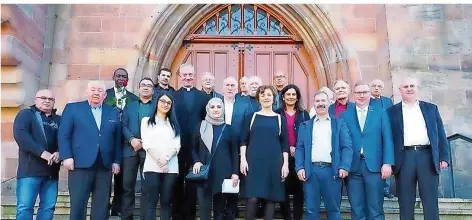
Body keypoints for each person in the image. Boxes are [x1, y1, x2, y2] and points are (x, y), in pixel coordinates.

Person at [387, 77, 450, 220]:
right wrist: (388, 162)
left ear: (417, 88)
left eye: (412, 86)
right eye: (405, 86)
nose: (409, 88)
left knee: (430, 201)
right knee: (405, 201)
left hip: (427, 157)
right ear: (400, 90)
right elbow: (388, 138)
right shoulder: (391, 112)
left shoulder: (431, 108)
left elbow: (440, 133)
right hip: (404, 158)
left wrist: (444, 157)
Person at [59, 80, 121, 220]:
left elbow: (116, 139)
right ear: (87, 92)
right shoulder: (72, 108)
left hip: (104, 166)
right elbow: (64, 135)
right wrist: (66, 156)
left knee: (102, 205)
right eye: (93, 90)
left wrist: (116, 161)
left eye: (100, 91)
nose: (96, 93)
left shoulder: (112, 111)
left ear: (105, 95)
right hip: (80, 164)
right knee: (78, 204)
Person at [295, 91, 353, 220]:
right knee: (311, 210)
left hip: (332, 171)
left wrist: (344, 166)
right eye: (317, 101)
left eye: (323, 101)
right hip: (311, 172)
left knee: (333, 209)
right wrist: (299, 167)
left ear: (329, 103)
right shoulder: (305, 125)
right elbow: (299, 148)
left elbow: (346, 147)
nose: (320, 104)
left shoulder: (339, 123)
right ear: (314, 104)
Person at [341, 81, 394, 220]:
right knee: (357, 210)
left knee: (375, 209)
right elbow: (343, 142)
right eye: (358, 93)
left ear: (370, 94)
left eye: (365, 92)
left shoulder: (381, 113)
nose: (362, 95)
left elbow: (387, 138)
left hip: (375, 167)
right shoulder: (345, 116)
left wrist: (387, 163)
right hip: (353, 168)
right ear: (353, 95)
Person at [240, 85, 289, 220]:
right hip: (254, 163)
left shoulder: (280, 119)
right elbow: (243, 140)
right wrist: (243, 160)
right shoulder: (251, 117)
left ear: (273, 98)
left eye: (268, 95)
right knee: (252, 199)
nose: (266, 97)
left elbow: (284, 145)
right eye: (262, 95)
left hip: (274, 163)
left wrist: (285, 165)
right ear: (258, 98)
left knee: (270, 199)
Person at [13, 89, 62, 220]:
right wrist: (42, 153)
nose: (47, 101)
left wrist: (59, 153)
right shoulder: (26, 114)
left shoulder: (59, 119)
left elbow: (65, 140)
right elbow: (22, 136)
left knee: (48, 208)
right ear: (35, 100)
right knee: (25, 208)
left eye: (50, 99)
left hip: (51, 173)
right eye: (43, 98)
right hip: (30, 171)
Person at [172, 63, 211, 220]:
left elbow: (206, 121)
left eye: (190, 75)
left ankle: (190, 214)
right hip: (177, 145)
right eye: (184, 75)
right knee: (176, 180)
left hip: (196, 146)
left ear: (194, 76)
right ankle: (176, 215)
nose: (187, 77)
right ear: (180, 77)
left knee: (194, 182)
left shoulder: (204, 97)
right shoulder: (172, 97)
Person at [191, 98, 240, 220]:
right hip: (204, 174)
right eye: (212, 107)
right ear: (208, 109)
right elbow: (193, 148)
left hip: (223, 173)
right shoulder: (200, 126)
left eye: (219, 107)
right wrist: (196, 161)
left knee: (220, 210)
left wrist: (235, 173)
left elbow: (234, 153)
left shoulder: (229, 129)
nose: (216, 109)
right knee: (204, 208)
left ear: (223, 109)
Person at [141, 91, 181, 220]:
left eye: (169, 103)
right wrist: (160, 159)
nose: (165, 104)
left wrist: (166, 159)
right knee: (151, 202)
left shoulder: (174, 123)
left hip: (171, 167)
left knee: (166, 202)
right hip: (152, 166)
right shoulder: (146, 121)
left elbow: (177, 145)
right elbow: (146, 143)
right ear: (157, 102)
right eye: (163, 101)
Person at [120, 78, 155, 220]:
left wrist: (145, 142)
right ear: (138, 88)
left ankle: (145, 217)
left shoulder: (157, 107)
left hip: (149, 152)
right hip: (130, 150)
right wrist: (131, 139)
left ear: (153, 90)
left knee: (147, 187)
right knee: (127, 186)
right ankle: (127, 216)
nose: (146, 88)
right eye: (143, 85)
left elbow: (160, 127)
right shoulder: (130, 106)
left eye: (149, 86)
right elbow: (122, 125)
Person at [104, 68, 138, 216]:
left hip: (125, 144)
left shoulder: (134, 98)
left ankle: (118, 208)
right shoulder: (105, 95)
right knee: (105, 179)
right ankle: (103, 209)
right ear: (113, 77)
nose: (121, 79)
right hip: (107, 141)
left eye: (124, 77)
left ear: (127, 80)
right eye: (118, 76)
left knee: (123, 179)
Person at [274, 84, 310, 220]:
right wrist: (287, 147)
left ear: (297, 97)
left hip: (300, 157)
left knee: (299, 191)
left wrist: (297, 147)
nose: (291, 97)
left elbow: (308, 135)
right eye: (288, 94)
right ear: (283, 96)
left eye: (293, 94)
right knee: (283, 189)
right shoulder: (277, 113)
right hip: (281, 157)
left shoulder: (304, 114)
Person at [370, 79, 395, 198]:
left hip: (385, 135)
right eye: (374, 86)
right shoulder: (366, 101)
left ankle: (386, 189)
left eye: (379, 86)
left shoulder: (387, 101)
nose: (376, 88)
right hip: (372, 136)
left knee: (387, 161)